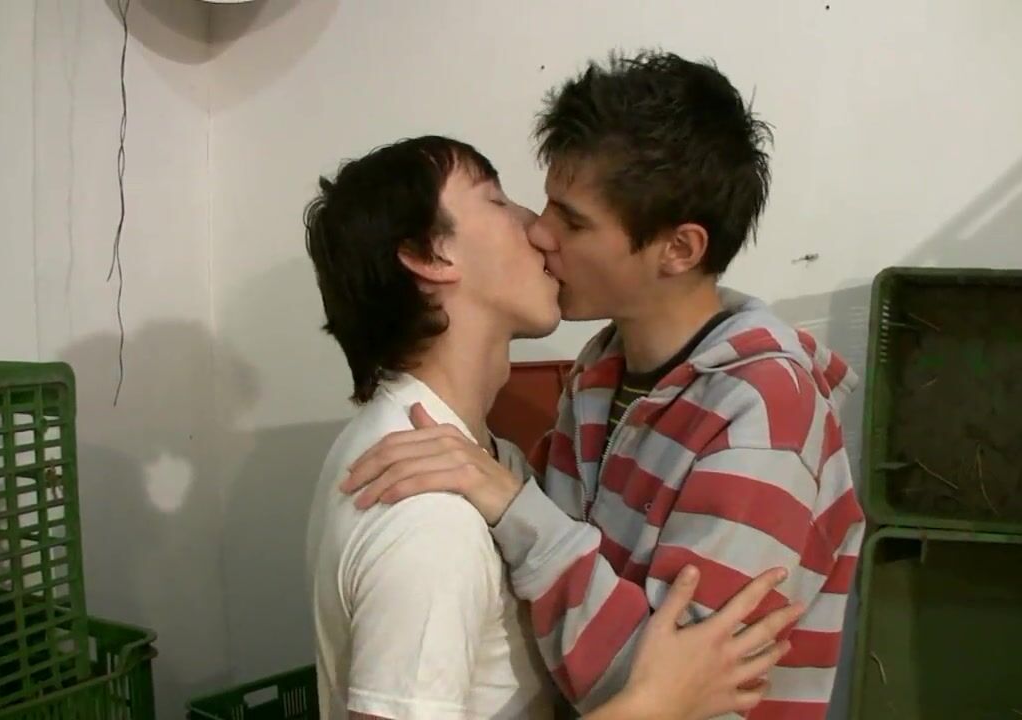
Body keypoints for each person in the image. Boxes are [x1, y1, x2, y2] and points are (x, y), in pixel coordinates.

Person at [341, 51, 866, 719]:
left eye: (573, 221)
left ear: (679, 249)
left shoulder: (764, 416)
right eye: (545, 204)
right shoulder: (599, 373)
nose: (538, 231)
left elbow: (679, 700)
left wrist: (515, 506)